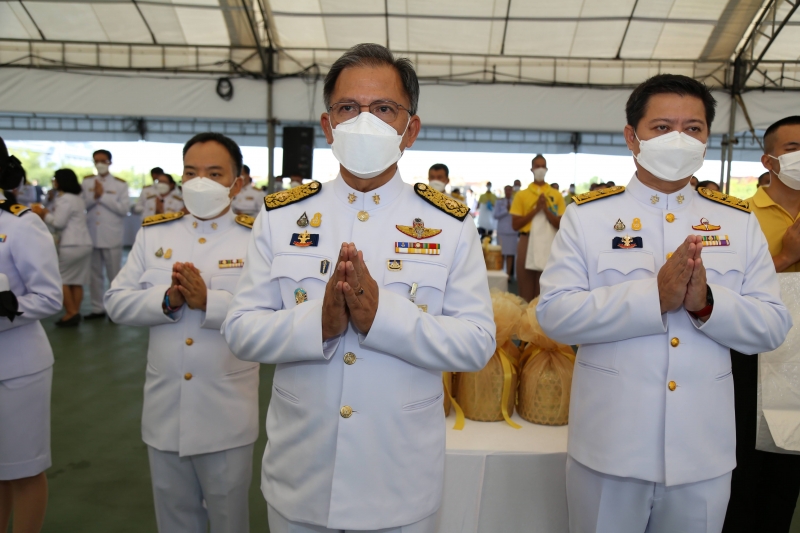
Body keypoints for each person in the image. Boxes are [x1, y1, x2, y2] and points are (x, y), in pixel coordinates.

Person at [223, 43, 495, 533]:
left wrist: (381, 318)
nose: (364, 121)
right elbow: (241, 330)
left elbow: (476, 342)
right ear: (328, 126)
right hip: (301, 474)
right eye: (348, 108)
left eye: (384, 108)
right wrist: (320, 324)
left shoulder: (450, 224)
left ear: (410, 129)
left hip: (399, 477)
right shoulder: (282, 215)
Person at [537, 74, 791, 533]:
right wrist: (651, 298)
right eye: (662, 127)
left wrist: (706, 304)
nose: (679, 138)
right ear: (631, 137)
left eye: (693, 128)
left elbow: (772, 325)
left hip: (703, 454)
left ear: (707, 139)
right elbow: (555, 313)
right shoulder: (588, 217)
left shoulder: (737, 221)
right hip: (610, 449)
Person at [105, 132, 258, 533]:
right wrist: (168, 300)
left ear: (238, 182)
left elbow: (272, 315)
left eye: (214, 173)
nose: (200, 182)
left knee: (229, 521)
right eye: (191, 172)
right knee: (174, 522)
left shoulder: (256, 239)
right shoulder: (154, 233)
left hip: (225, 413)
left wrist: (211, 302)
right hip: (165, 412)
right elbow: (116, 301)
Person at [725, 116, 800, 533]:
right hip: (751, 357)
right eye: (793, 148)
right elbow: (722, 296)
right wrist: (786, 256)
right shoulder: (737, 218)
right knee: (745, 471)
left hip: (798, 361)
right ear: (769, 161)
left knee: (787, 476)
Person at [0, 137, 62, 533]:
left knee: (22, 469)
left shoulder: (20, 224)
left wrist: (7, 306)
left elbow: (49, 296)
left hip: (16, 370)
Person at [31, 169, 93, 327]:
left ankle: (71, 312)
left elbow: (59, 223)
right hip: (84, 243)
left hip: (70, 244)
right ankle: (74, 312)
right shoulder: (78, 198)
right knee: (77, 281)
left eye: (55, 179)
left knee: (62, 279)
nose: (54, 181)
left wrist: (44, 213)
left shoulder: (64, 199)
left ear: (60, 181)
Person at [509, 154, 566, 301]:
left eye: (543, 166)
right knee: (525, 290)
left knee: (544, 290)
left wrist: (546, 210)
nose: (540, 169)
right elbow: (515, 225)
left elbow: (561, 224)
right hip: (527, 240)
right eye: (537, 166)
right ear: (532, 169)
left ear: (547, 169)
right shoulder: (522, 195)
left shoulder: (556, 195)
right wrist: (536, 210)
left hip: (549, 242)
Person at [82, 149, 129, 320]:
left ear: (110, 162)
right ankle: (97, 308)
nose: (100, 164)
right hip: (92, 235)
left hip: (111, 236)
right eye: (96, 161)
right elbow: (82, 205)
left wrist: (102, 196)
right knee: (94, 275)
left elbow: (124, 209)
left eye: (103, 160)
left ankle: (114, 309)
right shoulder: (87, 182)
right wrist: (94, 197)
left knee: (114, 275)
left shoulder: (120, 184)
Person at [493, 184, 517, 277]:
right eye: (506, 190)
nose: (508, 192)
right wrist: (506, 210)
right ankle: (501, 274)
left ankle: (508, 275)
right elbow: (495, 215)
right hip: (502, 231)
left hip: (512, 231)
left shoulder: (515, 201)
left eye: (510, 190)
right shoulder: (499, 201)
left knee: (510, 254)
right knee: (501, 253)